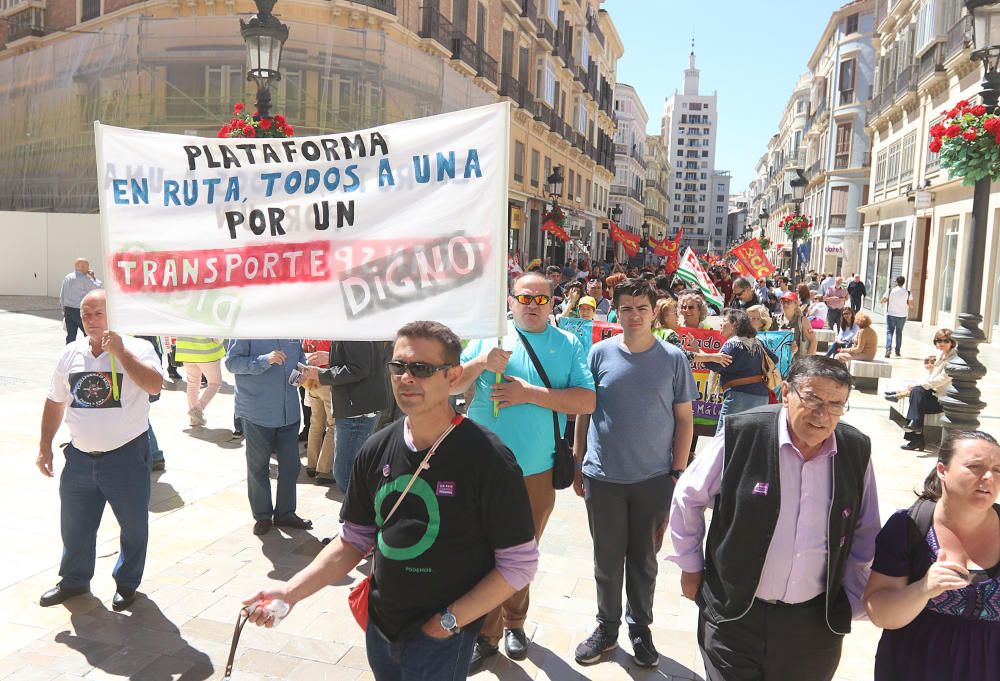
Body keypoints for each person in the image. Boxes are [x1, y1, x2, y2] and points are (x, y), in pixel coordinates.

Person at [242, 321, 539, 681]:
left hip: (441, 637)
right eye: (398, 367)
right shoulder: (376, 448)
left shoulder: (488, 457)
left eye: (422, 368)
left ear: (453, 376)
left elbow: (518, 565)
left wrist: (447, 622)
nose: (406, 378)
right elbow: (354, 539)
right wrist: (290, 592)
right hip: (381, 628)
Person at [668, 355, 881, 681]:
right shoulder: (744, 433)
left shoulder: (855, 450)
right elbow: (688, 497)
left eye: (836, 404)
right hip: (735, 614)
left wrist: (852, 598)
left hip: (813, 627)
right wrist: (691, 566)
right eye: (813, 398)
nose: (823, 414)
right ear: (785, 393)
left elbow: (866, 532)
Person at [455, 272, 595, 671]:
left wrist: (527, 394)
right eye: (524, 298)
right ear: (511, 300)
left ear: (552, 303)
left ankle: (513, 623)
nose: (532, 305)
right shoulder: (487, 337)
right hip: (482, 467)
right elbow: (451, 387)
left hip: (536, 469)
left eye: (540, 299)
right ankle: (486, 632)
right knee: (480, 551)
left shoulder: (567, 344)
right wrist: (481, 362)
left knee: (520, 551)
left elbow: (586, 401)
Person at [571, 279, 696, 668]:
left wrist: (677, 472)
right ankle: (606, 629)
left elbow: (684, 420)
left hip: (652, 480)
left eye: (642, 307)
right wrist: (578, 461)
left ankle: (640, 629)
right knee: (606, 560)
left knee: (644, 560)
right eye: (627, 308)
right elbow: (584, 411)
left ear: (654, 310)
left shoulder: (673, 358)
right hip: (603, 478)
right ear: (618, 312)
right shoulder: (598, 353)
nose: (635, 315)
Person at [37, 290, 162, 611]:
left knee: (133, 525)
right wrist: (44, 446)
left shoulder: (139, 347)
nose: (91, 320)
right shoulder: (71, 353)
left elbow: (153, 385)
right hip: (79, 458)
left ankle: (127, 583)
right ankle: (74, 581)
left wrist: (120, 353)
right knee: (74, 525)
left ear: (114, 314)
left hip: (126, 457)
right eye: (86, 313)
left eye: (98, 313)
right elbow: (55, 401)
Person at [863, 431, 1000, 681]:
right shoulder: (908, 526)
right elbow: (878, 611)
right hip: (915, 666)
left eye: (998, 469)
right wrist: (923, 589)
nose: (989, 477)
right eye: (975, 467)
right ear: (942, 470)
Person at [226, 338, 312, 535]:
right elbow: (232, 363)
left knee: (291, 466)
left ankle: (285, 513)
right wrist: (265, 359)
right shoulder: (246, 327)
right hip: (257, 412)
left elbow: (299, 356)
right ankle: (263, 516)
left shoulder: (290, 327)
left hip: (289, 411)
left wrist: (304, 369)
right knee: (258, 467)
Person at [302, 341, 391, 494]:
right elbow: (361, 361)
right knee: (351, 470)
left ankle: (357, 515)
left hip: (357, 408)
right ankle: (357, 514)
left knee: (344, 473)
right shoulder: (358, 326)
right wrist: (331, 358)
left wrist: (320, 374)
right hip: (360, 406)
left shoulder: (355, 328)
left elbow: (358, 368)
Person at [701, 309, 778, 434]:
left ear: (735, 325)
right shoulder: (757, 342)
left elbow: (716, 365)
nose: (721, 324)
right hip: (761, 397)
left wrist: (699, 353)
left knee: (724, 438)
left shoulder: (733, 344)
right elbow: (774, 359)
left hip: (739, 398)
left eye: (724, 321)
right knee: (749, 439)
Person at [884, 329, 958, 452]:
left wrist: (920, 385)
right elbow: (932, 378)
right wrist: (920, 385)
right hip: (933, 395)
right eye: (939, 340)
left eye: (945, 341)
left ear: (952, 342)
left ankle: (916, 437)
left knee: (917, 393)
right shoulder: (941, 355)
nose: (942, 343)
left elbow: (942, 379)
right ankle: (916, 429)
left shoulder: (954, 359)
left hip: (943, 400)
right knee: (917, 395)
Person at [301, 339, 334, 483]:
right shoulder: (329, 336)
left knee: (315, 424)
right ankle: (323, 470)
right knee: (333, 426)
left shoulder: (310, 336)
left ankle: (312, 465)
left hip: (312, 382)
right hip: (326, 381)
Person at [173, 337, 225, 427]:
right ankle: (196, 411)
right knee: (215, 383)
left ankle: (194, 419)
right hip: (206, 350)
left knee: (193, 383)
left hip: (185, 350)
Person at [59, 258, 102, 344]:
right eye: (87, 266)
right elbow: (98, 288)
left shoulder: (68, 277)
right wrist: (94, 277)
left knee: (71, 336)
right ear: (82, 266)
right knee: (88, 334)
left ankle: (68, 353)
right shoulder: (84, 278)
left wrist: (63, 308)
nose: (89, 268)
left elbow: (62, 293)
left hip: (68, 310)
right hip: (79, 311)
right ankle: (89, 352)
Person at [778, 291, 816, 359]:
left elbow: (813, 341)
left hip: (797, 363)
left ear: (795, 304)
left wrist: (808, 362)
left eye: (788, 302)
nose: (785, 304)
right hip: (780, 361)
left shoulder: (802, 320)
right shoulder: (776, 320)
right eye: (783, 301)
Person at [881, 276, 912, 358]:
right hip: (902, 315)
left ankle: (888, 349)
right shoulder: (908, 292)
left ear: (897, 282)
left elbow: (882, 301)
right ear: (903, 282)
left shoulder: (890, 290)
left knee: (889, 332)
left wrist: (889, 300)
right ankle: (897, 351)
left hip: (891, 314)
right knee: (899, 333)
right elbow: (911, 305)